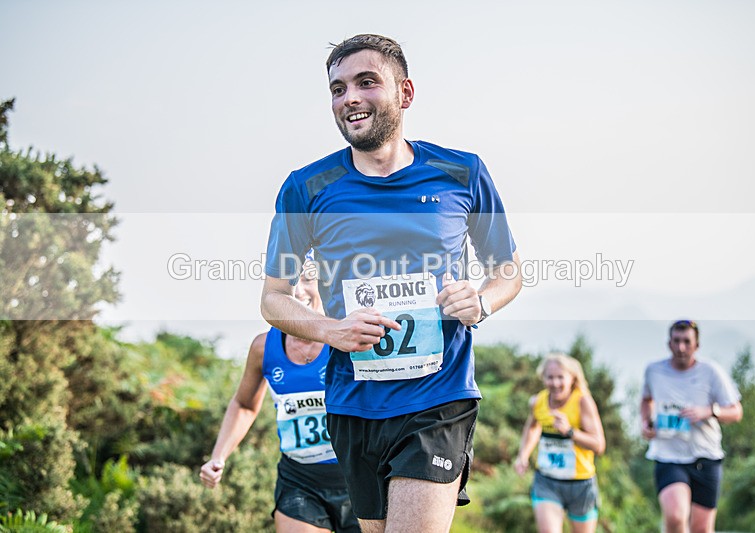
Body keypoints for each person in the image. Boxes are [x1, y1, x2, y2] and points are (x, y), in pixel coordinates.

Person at [260, 34, 522, 532]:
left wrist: (481, 302)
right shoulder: (306, 187)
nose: (349, 98)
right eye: (337, 89)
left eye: (365, 82)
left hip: (437, 398)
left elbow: (508, 271)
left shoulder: (461, 172)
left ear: (405, 93)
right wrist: (332, 330)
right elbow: (273, 298)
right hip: (351, 404)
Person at [200, 269, 359, 533]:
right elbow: (244, 405)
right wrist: (219, 456)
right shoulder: (264, 347)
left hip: (358, 476)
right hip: (300, 479)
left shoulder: (350, 339)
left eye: (308, 279)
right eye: (290, 282)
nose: (297, 290)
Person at [640, 319, 743, 533]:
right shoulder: (654, 371)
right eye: (676, 341)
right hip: (668, 456)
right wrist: (646, 422)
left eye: (687, 341)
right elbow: (646, 400)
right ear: (669, 343)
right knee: (676, 516)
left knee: (701, 529)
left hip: (706, 455)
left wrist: (710, 411)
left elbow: (736, 412)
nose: (681, 347)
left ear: (697, 345)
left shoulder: (712, 372)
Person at [514, 353, 606, 533]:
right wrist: (523, 455)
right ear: (543, 378)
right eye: (550, 377)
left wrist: (570, 432)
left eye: (560, 377)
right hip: (547, 480)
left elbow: (599, 445)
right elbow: (532, 428)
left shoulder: (582, 401)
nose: (555, 383)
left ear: (572, 378)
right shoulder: (538, 401)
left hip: (580, 484)